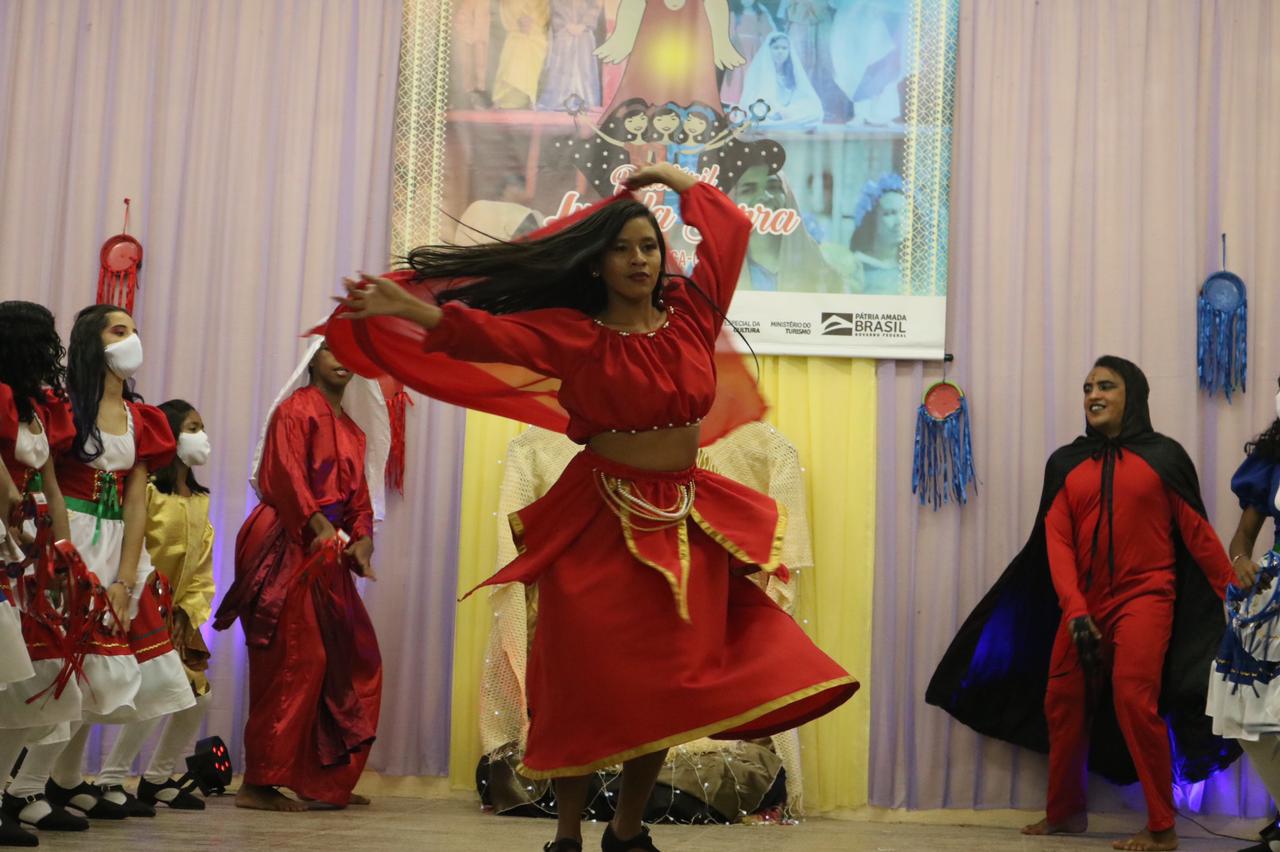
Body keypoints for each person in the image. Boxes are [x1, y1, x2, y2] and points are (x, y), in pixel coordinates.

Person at [328, 162, 857, 852]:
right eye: (622, 249)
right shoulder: (575, 336)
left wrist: (672, 178)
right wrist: (406, 309)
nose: (639, 260)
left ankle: (627, 829)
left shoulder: (692, 319)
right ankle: (568, 834)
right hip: (600, 525)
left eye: (649, 247)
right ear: (597, 264)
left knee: (666, 687)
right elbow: (485, 336)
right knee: (581, 683)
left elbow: (729, 231)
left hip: (682, 527)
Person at [926, 356, 1242, 852]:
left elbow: (1197, 536)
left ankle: (1162, 827)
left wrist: (1237, 598)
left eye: (1106, 386)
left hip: (1147, 597)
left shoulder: (1164, 457)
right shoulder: (1066, 464)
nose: (1093, 395)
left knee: (1135, 699)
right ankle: (1066, 812)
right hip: (1084, 606)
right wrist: (1074, 609)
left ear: (1132, 395)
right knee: (1062, 700)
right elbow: (1055, 542)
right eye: (1088, 387)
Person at [9, 304, 193, 823]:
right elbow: (47, 485)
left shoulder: (143, 419)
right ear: (93, 342)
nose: (132, 339)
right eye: (119, 330)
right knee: (68, 670)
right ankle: (25, 787)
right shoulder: (62, 410)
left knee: (118, 676)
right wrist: (61, 555)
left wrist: (127, 579)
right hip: (70, 537)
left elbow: (136, 503)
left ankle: (62, 781)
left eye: (135, 330)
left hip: (118, 546)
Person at [213, 338, 385, 812]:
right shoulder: (295, 410)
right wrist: (317, 524)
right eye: (332, 350)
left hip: (323, 548)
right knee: (296, 656)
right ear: (313, 359)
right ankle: (259, 782)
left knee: (348, 659)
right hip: (286, 540)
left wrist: (363, 538)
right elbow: (286, 473)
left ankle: (320, 778)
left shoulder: (353, 431)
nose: (343, 359)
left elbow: (359, 499)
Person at [95, 399, 216, 811]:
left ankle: (157, 777)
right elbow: (132, 547)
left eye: (202, 428)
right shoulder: (146, 490)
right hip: (139, 607)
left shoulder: (199, 500)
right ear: (169, 434)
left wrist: (187, 613)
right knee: (149, 690)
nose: (201, 437)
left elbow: (201, 568)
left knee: (198, 696)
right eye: (192, 428)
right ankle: (109, 779)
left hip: (176, 616)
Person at [0, 301, 86, 841]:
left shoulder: (39, 408)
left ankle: (20, 792)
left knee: (49, 681)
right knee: (12, 673)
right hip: (8, 542)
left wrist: (64, 553)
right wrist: (23, 537)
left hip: (28, 547)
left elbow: (51, 487)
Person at [1206, 374, 1280, 852]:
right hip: (1274, 600)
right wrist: (1239, 562)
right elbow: (1242, 539)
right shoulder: (1272, 460)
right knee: (1254, 721)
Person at [738, 33, 823, 130]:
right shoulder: (758, 72)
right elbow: (754, 99)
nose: (780, 51)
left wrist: (788, 110)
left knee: (814, 113)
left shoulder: (793, 72)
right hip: (767, 112)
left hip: (788, 112)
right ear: (768, 50)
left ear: (789, 51)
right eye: (776, 48)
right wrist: (776, 111)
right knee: (756, 115)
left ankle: (782, 124)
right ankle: (782, 125)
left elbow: (802, 96)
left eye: (784, 48)